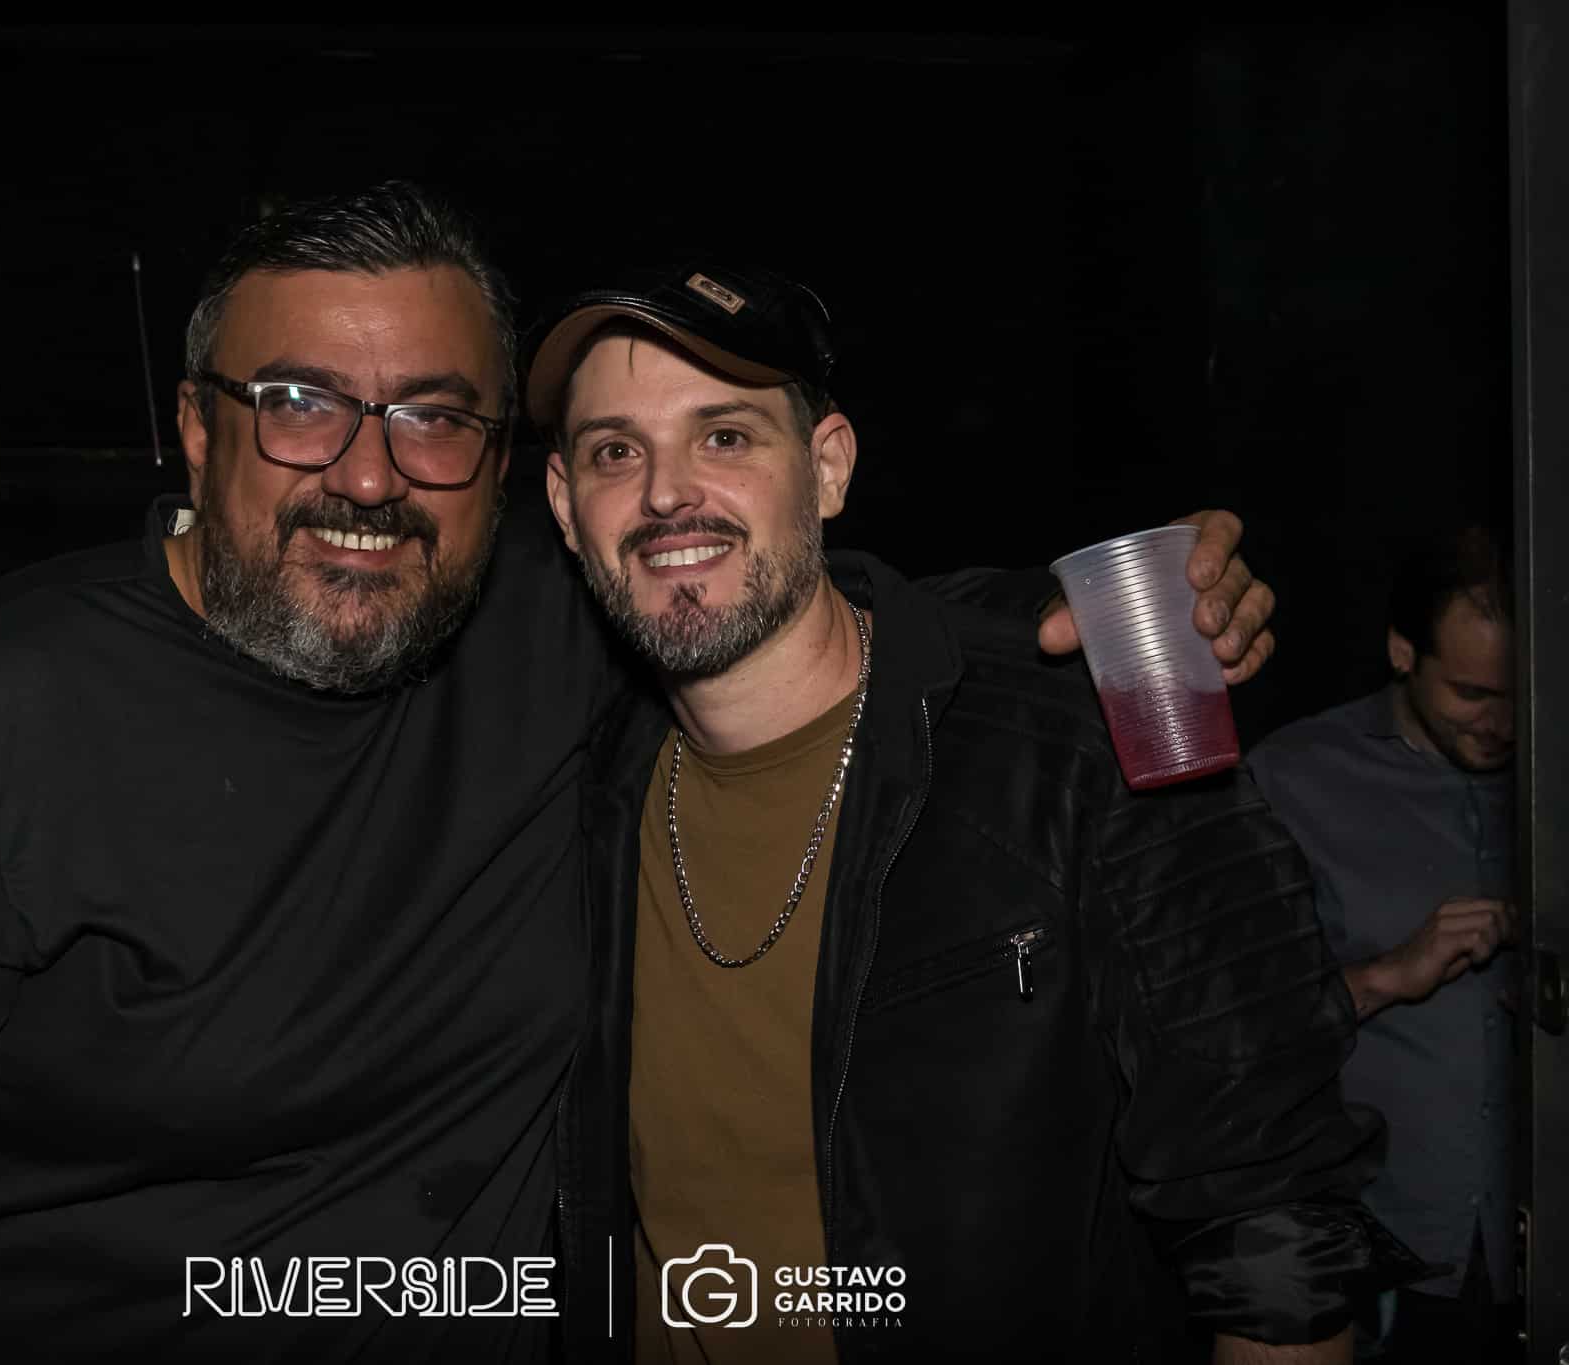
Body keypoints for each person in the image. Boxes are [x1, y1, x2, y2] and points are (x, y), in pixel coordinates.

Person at [0, 183, 1276, 1364]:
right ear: (194, 431)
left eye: (432, 418)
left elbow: (743, 585)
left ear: (506, 474)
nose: (366, 474)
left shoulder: (545, 635)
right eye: (299, 405)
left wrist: (1046, 616)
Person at [528, 264, 1419, 1363]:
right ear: (565, 506)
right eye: (616, 452)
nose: (667, 493)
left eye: (724, 436)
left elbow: (1271, 1223)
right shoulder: (572, 783)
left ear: (825, 467)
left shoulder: (1075, 736)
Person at [1247, 526, 1518, 1365]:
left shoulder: (1546, 770)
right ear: (1403, 651)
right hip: (1376, 1252)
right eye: (1472, 693)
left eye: (1520, 693)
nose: (1502, 723)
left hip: (1534, 1248)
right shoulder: (1294, 777)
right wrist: (1390, 974)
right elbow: (1233, 1028)